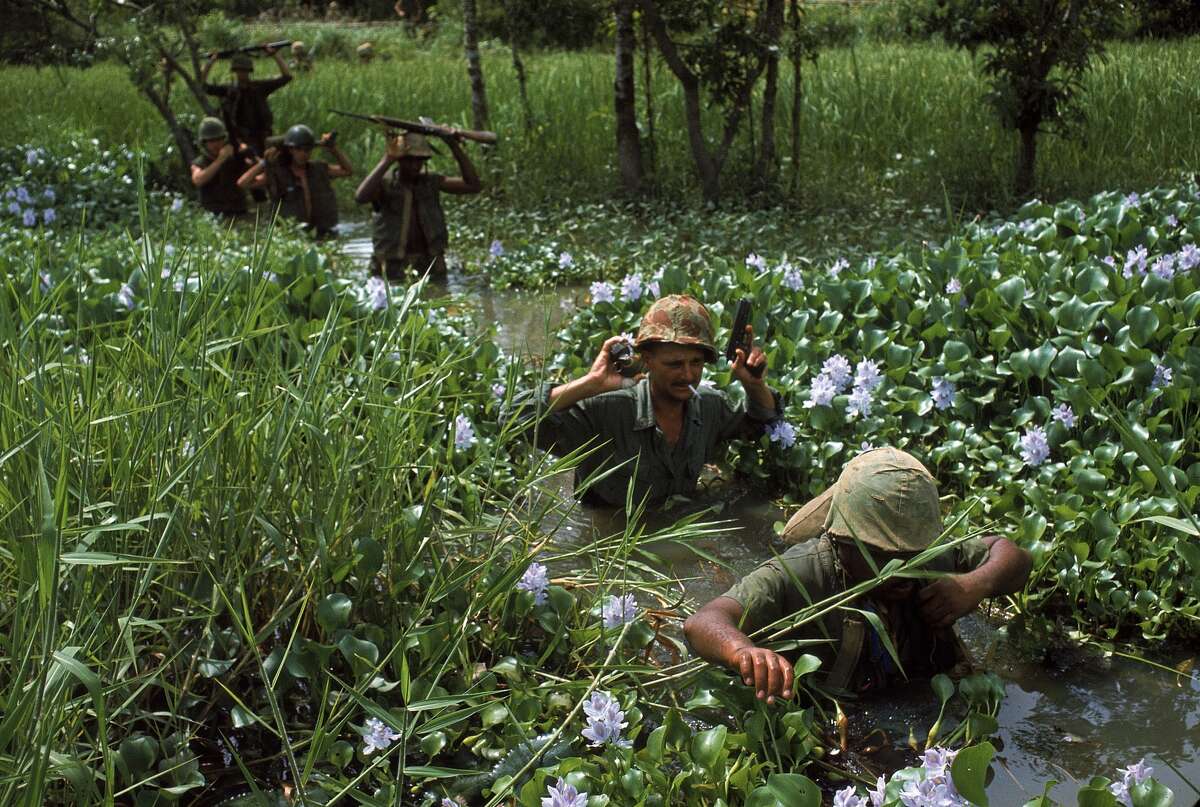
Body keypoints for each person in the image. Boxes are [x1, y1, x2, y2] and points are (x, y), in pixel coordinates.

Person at [683, 447, 1033, 702]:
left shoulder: (932, 558)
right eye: (878, 555)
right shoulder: (802, 571)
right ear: (840, 540)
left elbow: (1014, 557)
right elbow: (703, 621)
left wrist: (975, 584)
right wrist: (744, 652)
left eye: (910, 556)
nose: (900, 570)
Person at [506, 294, 781, 508]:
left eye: (696, 363)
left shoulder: (709, 405)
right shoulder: (606, 411)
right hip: (610, 538)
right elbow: (513, 421)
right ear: (647, 360)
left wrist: (754, 384)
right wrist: (590, 384)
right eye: (674, 364)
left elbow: (763, 425)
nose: (687, 375)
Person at [354, 131, 483, 278]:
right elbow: (360, 197)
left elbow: (473, 186)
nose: (415, 165)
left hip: (430, 264)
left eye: (419, 160)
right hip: (393, 266)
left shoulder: (432, 182)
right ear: (400, 160)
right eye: (409, 160)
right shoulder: (385, 185)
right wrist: (388, 159)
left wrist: (453, 145)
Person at [237, 124, 354, 238]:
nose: (304, 154)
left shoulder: (319, 169)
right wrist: (264, 163)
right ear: (291, 150)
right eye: (299, 149)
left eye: (307, 149)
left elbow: (347, 170)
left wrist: (333, 149)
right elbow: (243, 183)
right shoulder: (278, 174)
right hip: (291, 235)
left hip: (321, 231)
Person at [201, 44, 292, 156]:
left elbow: (286, 77)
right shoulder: (228, 90)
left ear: (249, 71)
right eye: (239, 71)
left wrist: (274, 55)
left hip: (262, 136)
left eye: (244, 71)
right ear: (235, 71)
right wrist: (210, 63)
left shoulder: (259, 87)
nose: (242, 73)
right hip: (239, 140)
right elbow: (203, 86)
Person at [190, 117, 252, 217]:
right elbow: (198, 180)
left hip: (239, 211)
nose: (216, 144)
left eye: (219, 139)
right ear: (204, 142)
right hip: (215, 214)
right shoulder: (200, 162)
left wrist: (248, 155)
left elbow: (251, 174)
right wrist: (220, 160)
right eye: (211, 140)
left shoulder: (234, 158)